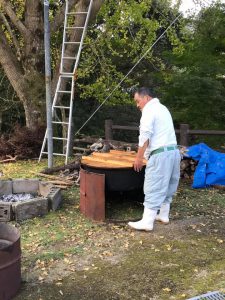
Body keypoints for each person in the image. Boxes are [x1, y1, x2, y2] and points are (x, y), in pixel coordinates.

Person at [128, 87, 181, 231]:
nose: (137, 105)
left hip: (160, 154)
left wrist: (139, 158)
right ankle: (163, 215)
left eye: (138, 101)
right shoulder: (163, 108)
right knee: (168, 184)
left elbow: (145, 135)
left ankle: (147, 222)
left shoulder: (149, 110)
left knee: (154, 185)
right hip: (173, 152)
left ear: (146, 98)